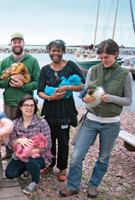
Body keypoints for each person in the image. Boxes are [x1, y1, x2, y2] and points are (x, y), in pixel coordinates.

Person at [60, 39, 133, 198]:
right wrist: (85, 98)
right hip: (91, 120)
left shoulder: (125, 74)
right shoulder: (93, 69)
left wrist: (110, 98)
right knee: (76, 157)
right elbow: (85, 92)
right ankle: (73, 185)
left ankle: (93, 185)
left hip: (111, 124)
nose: (103, 61)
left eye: (106, 57)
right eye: (100, 57)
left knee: (103, 158)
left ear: (116, 54)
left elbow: (128, 100)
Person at [37, 39, 85, 181]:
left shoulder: (70, 66)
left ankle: (62, 168)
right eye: (53, 50)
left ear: (63, 51)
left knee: (63, 141)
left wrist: (67, 88)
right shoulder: (45, 69)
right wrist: (51, 97)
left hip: (65, 110)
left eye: (58, 50)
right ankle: (50, 164)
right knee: (49, 139)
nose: (55, 53)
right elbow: (39, 91)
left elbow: (83, 85)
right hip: (50, 109)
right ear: (49, 52)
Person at [0, 32, 40, 159]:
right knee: (9, 129)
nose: (17, 44)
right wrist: (10, 81)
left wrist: (23, 85)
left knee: (26, 130)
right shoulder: (6, 61)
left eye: (19, 41)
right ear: (11, 44)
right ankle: (9, 151)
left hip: (26, 103)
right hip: (9, 101)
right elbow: (0, 82)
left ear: (23, 43)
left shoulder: (32, 61)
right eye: (14, 42)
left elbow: (37, 82)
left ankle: (25, 154)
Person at [5, 94, 52, 194]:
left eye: (31, 105)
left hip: (38, 156)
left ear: (35, 108)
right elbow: (9, 143)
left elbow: (48, 144)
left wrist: (32, 151)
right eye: (26, 105)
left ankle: (34, 182)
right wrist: (17, 141)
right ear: (21, 107)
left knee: (31, 160)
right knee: (10, 174)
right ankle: (27, 169)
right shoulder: (15, 123)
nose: (29, 108)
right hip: (20, 156)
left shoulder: (41, 123)